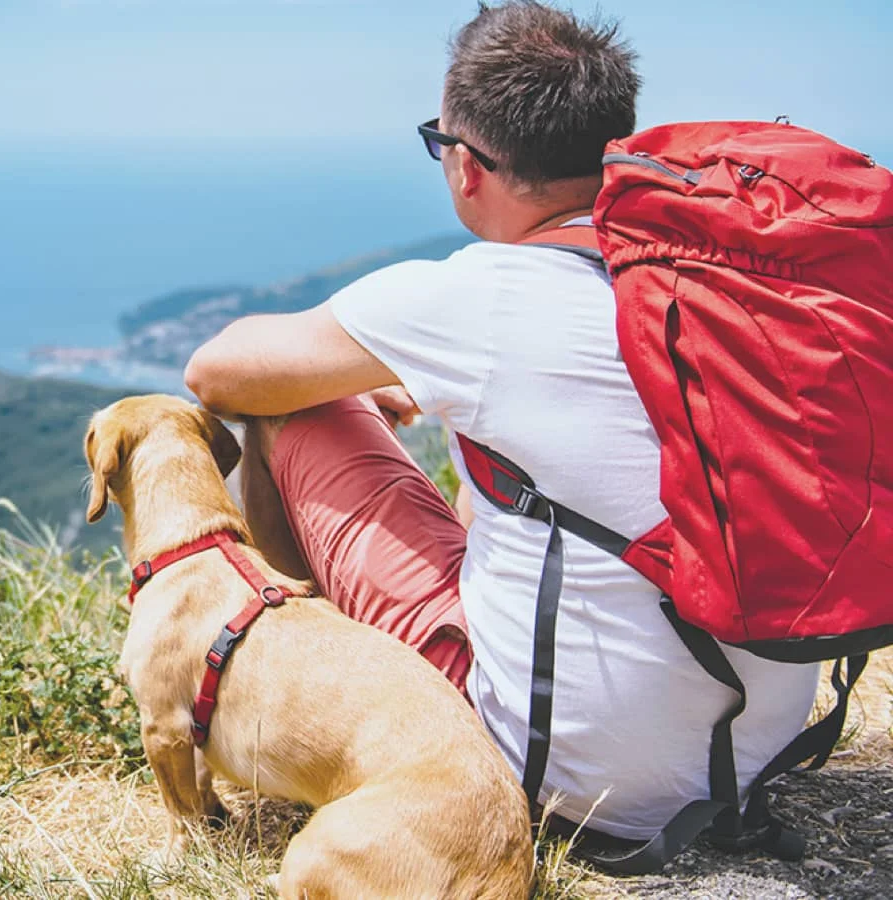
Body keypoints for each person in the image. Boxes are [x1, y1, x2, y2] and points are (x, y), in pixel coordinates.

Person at [183, 0, 819, 843]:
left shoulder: (479, 295)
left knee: (291, 407)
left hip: (574, 775)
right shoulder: (717, 279)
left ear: (467, 165)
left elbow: (219, 372)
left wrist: (356, 382)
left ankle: (324, 704)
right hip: (755, 743)